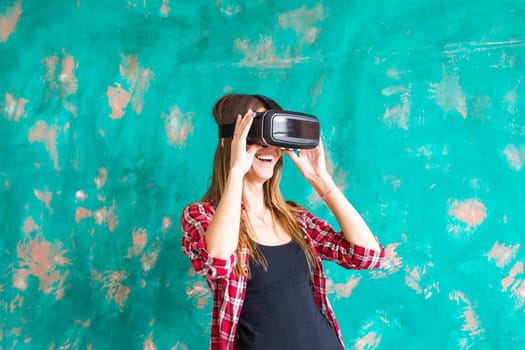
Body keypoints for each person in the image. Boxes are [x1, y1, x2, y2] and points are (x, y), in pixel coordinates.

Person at [180, 93, 385, 350]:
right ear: (227, 142)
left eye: (274, 138)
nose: (269, 149)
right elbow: (217, 263)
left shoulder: (293, 216)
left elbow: (366, 256)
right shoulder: (201, 216)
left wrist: (322, 180)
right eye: (255, 136)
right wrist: (235, 172)